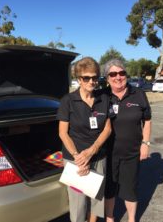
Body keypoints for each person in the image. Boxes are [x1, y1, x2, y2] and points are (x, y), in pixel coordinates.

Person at [57, 57, 111, 222]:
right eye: (86, 78)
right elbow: (63, 133)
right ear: (79, 79)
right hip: (76, 160)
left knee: (96, 199)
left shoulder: (104, 99)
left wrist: (92, 151)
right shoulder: (68, 101)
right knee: (78, 204)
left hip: (99, 156)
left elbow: (108, 128)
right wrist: (78, 157)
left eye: (94, 77)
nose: (91, 81)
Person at [103, 59, 152, 222]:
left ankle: (132, 219)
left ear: (126, 75)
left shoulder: (138, 94)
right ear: (107, 78)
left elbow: (147, 120)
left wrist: (145, 144)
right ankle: (110, 218)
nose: (118, 77)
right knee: (109, 189)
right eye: (113, 74)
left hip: (132, 152)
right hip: (108, 153)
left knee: (130, 189)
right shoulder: (103, 96)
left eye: (121, 73)